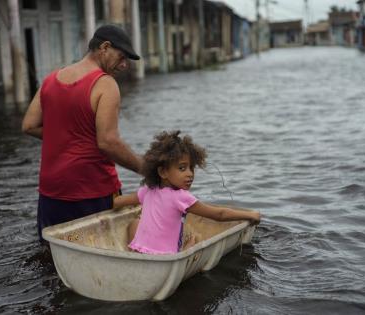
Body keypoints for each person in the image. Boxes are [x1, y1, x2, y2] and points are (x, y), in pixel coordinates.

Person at [22, 24, 143, 242]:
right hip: (91, 190)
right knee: (101, 253)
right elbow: (108, 141)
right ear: (105, 47)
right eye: (122, 57)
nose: (124, 65)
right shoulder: (105, 84)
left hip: (51, 191)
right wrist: (145, 168)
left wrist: (66, 135)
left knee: (53, 256)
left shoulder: (51, 79)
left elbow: (29, 125)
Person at [113, 130, 261, 254]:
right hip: (166, 258)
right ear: (163, 172)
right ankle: (188, 246)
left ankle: (133, 251)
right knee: (194, 239)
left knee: (134, 222)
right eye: (182, 168)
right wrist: (250, 215)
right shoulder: (181, 197)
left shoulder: (148, 190)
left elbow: (118, 202)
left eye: (191, 168)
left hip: (140, 254)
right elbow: (219, 214)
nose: (190, 174)